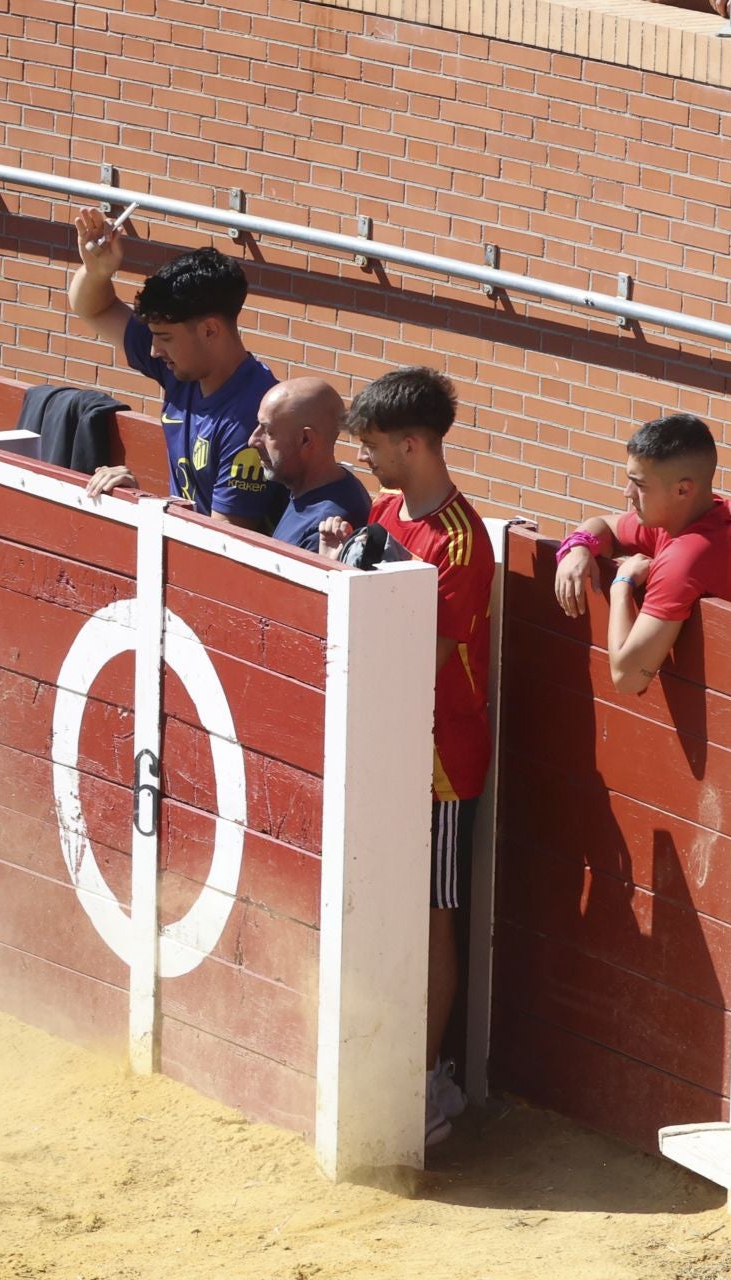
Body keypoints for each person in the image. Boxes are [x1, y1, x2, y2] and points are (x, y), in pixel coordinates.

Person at [317, 367, 492, 1148]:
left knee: (433, 916)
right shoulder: (387, 509)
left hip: (439, 762)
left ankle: (423, 1083)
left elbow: (428, 651)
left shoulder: (461, 540)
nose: (369, 462)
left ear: (413, 443)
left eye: (377, 447)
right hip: (389, 737)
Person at [66, 207, 280, 530]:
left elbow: (224, 543)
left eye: (164, 338)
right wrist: (96, 271)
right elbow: (95, 308)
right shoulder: (183, 364)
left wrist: (140, 500)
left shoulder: (251, 418)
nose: (153, 350)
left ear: (210, 331)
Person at [553, 413, 731, 695]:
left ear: (683, 490)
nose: (627, 493)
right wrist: (579, 546)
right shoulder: (691, 516)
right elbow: (605, 526)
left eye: (640, 485)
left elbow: (628, 679)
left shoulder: (686, 558)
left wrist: (622, 585)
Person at [246, 377, 371, 552]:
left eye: (268, 431)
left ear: (305, 439)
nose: (253, 440)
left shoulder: (327, 528)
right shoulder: (309, 488)